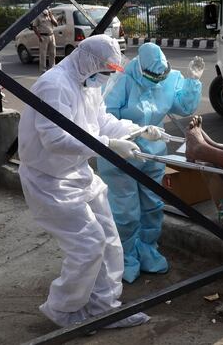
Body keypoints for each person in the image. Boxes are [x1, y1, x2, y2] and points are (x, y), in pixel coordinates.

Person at [18, 34, 156, 328]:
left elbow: (101, 122)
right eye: (104, 71)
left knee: (108, 240)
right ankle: (62, 309)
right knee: (88, 245)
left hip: (78, 172)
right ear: (89, 61)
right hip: (49, 179)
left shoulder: (89, 83)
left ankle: (104, 308)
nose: (105, 78)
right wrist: (107, 145)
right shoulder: (54, 85)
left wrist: (138, 130)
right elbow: (55, 139)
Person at [96, 43, 204, 283]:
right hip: (121, 153)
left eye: (161, 77)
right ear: (141, 69)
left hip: (153, 152)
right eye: (153, 77)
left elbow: (183, 106)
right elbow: (104, 117)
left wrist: (192, 82)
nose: (157, 81)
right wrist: (133, 132)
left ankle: (147, 250)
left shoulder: (167, 78)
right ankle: (124, 258)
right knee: (125, 212)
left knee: (152, 206)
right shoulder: (121, 80)